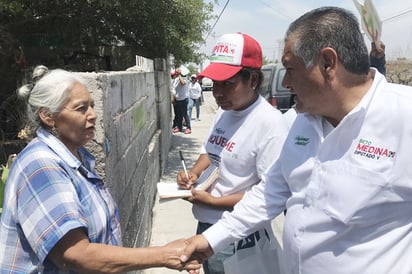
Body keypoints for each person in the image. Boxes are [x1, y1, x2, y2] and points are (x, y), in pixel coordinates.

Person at [180, 7, 412, 274]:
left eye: (290, 69)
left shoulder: (404, 117)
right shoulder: (297, 122)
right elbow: (268, 195)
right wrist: (209, 241)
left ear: (328, 63)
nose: (286, 82)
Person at [0, 65, 200, 273]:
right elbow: (76, 255)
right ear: (48, 116)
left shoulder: (77, 156)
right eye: (81, 108)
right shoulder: (41, 165)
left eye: (92, 106)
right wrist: (165, 254)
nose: (93, 115)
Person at [177, 33, 288, 274]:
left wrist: (215, 203)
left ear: (253, 80)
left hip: (238, 235)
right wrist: (193, 174)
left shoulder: (269, 124)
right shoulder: (225, 111)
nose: (217, 92)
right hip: (207, 225)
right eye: (215, 83)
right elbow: (210, 150)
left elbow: (270, 194)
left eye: (227, 84)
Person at [172, 68, 192, 134]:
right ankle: (179, 127)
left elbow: (183, 83)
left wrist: (180, 75)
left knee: (184, 114)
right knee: (179, 114)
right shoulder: (176, 80)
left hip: (183, 99)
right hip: (177, 99)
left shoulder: (185, 79)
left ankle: (189, 128)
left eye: (178, 72)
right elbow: (174, 89)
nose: (176, 72)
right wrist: (174, 98)